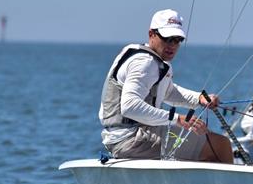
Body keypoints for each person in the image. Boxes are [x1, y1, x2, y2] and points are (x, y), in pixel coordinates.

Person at [99, 9, 233, 163]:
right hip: (132, 139)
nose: (172, 45)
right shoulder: (145, 63)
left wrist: (199, 98)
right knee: (221, 146)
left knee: (206, 140)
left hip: (125, 138)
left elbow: (168, 92)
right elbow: (129, 107)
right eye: (167, 39)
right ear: (151, 34)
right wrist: (178, 119)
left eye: (177, 40)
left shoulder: (152, 60)